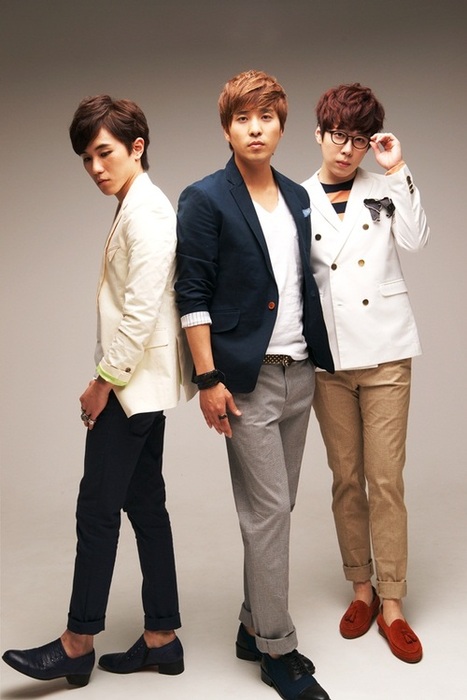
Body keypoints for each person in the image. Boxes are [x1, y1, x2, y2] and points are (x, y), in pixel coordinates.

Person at [2, 95, 194, 686]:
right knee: (147, 507)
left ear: (137, 147)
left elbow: (140, 312)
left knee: (96, 511)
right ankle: (162, 638)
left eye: (104, 152)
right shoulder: (134, 204)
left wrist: (101, 384)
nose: (95, 167)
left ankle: (76, 644)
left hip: (130, 389)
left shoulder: (148, 212)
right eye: (86, 158)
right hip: (144, 387)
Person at [176, 69, 334, 700]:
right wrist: (208, 378)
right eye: (242, 118)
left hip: (301, 373)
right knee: (269, 513)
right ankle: (278, 649)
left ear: (281, 125)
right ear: (227, 128)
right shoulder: (205, 198)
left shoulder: (298, 195)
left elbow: (305, 281)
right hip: (246, 380)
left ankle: (250, 627)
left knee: (276, 509)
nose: (255, 128)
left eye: (266, 117)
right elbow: (192, 294)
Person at [301, 83, 430, 664]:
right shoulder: (296, 197)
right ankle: (361, 588)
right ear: (319, 133)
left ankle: (393, 602)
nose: (347, 149)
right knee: (346, 478)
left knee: (385, 479)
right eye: (338, 136)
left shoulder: (384, 186)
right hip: (329, 359)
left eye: (358, 139)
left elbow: (417, 239)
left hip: (386, 351)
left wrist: (397, 167)